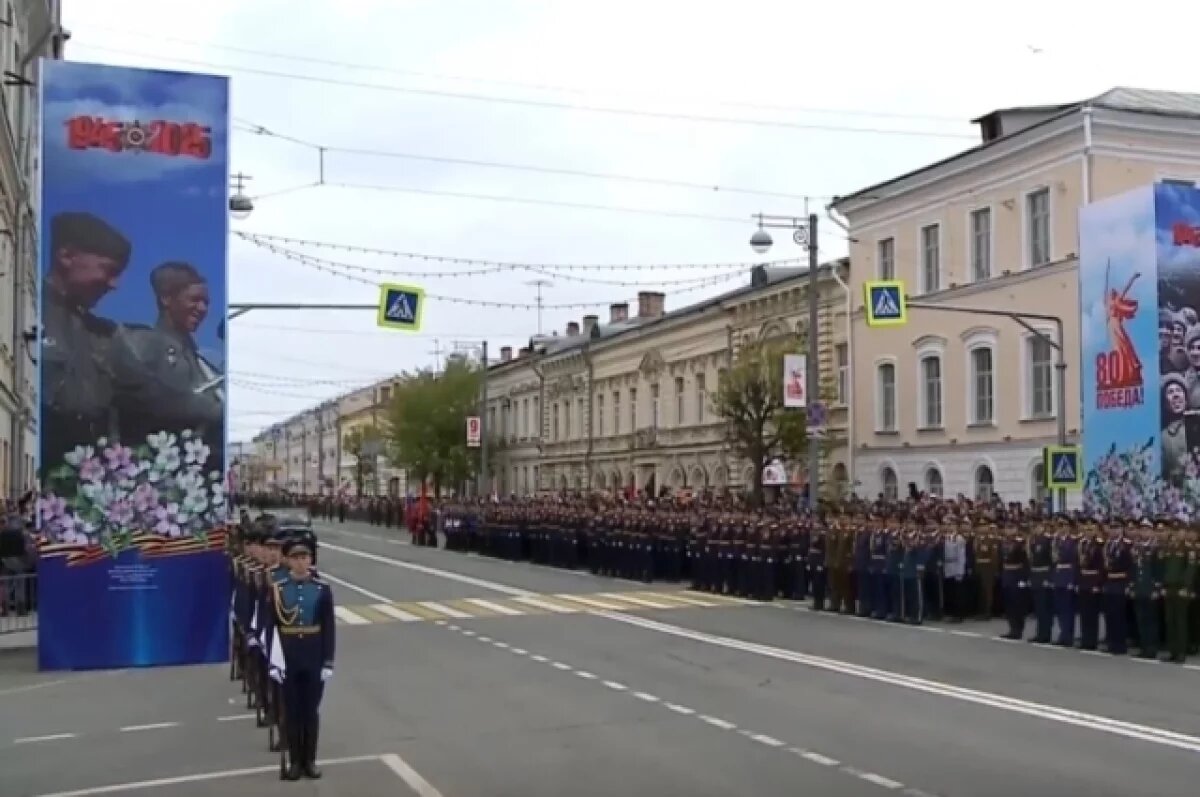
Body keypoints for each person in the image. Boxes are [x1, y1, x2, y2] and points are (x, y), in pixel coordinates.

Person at [41, 211, 131, 467]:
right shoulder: (22, 309)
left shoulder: (102, 334)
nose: (114, 284)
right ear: (67, 256)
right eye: (109, 270)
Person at [110, 261, 224, 452]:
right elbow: (156, 398)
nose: (203, 309)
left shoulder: (206, 363)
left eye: (206, 303)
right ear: (166, 299)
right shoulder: (140, 343)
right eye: (195, 300)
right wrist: (214, 410)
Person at [268, 537, 336, 781]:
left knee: (311, 711)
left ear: (310, 560)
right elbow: (271, 626)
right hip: (288, 655)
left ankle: (311, 760)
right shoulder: (278, 589)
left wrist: (328, 661)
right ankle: (295, 761)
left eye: (304, 558)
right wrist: (272, 661)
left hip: (313, 654)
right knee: (292, 711)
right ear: (288, 561)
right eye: (295, 558)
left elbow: (328, 627)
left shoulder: (322, 589)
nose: (300, 563)